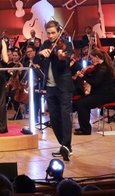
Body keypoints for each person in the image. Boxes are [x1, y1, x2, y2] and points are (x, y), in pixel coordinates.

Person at [36, 20, 74, 161]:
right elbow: (35, 60)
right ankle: (62, 145)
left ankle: (67, 147)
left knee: (65, 116)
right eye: (49, 33)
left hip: (63, 87)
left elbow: (65, 63)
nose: (51, 36)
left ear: (59, 32)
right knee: (54, 118)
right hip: (50, 87)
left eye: (53, 33)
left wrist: (60, 56)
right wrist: (40, 54)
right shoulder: (46, 44)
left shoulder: (66, 44)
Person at [72, 48, 115, 135]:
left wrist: (83, 77)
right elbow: (94, 79)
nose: (91, 60)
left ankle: (85, 130)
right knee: (80, 101)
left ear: (97, 57)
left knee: (82, 103)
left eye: (92, 58)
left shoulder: (103, 67)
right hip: (100, 93)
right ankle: (83, 127)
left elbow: (96, 82)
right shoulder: (99, 67)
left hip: (106, 95)